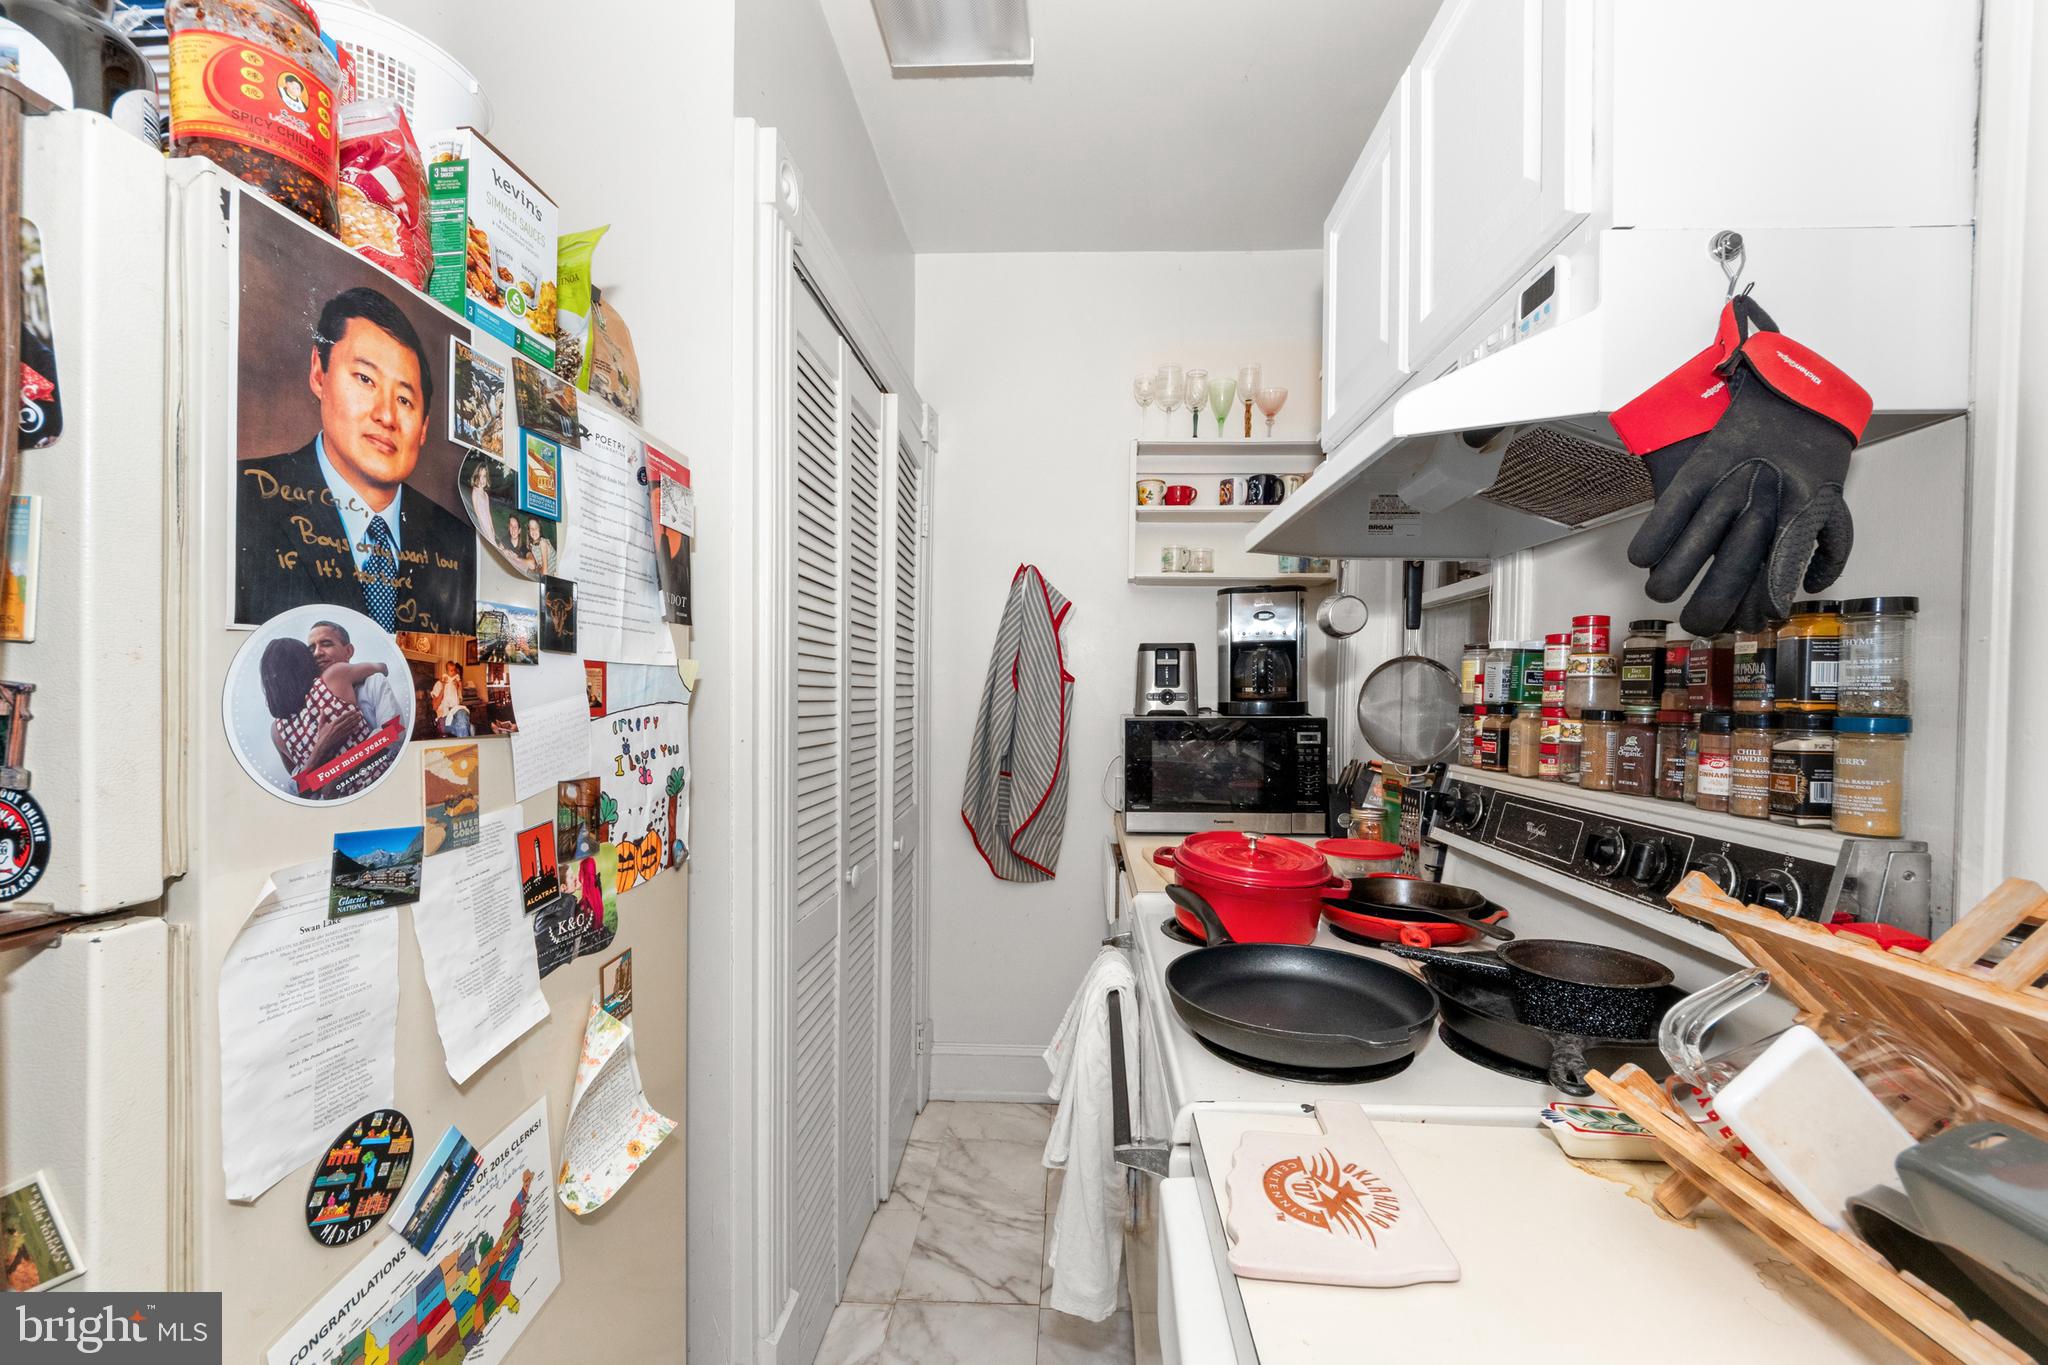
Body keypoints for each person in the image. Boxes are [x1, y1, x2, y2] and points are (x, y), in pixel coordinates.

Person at [236, 286, 476, 635]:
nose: (386, 416)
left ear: (423, 428)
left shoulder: (459, 543)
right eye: (365, 379)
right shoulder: (242, 497)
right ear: (319, 373)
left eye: (405, 400)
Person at [259, 637, 395, 798]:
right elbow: (382, 667)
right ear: (305, 662)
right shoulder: (334, 677)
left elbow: (304, 784)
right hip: (380, 780)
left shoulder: (277, 732)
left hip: (339, 801)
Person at [307, 620, 402, 733]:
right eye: (311, 649)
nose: (317, 653)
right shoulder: (308, 699)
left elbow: (393, 731)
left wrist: (356, 751)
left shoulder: (373, 683)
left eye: (326, 644)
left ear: (348, 651)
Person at [431, 660, 473, 737]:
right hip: (444, 716)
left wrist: (458, 687)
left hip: (456, 712)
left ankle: (467, 728)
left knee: (462, 713)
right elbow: (434, 707)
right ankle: (468, 729)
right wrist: (443, 688)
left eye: (455, 672)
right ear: (447, 671)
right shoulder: (439, 684)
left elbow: (459, 701)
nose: (454, 673)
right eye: (452, 671)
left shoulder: (455, 685)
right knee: (463, 725)